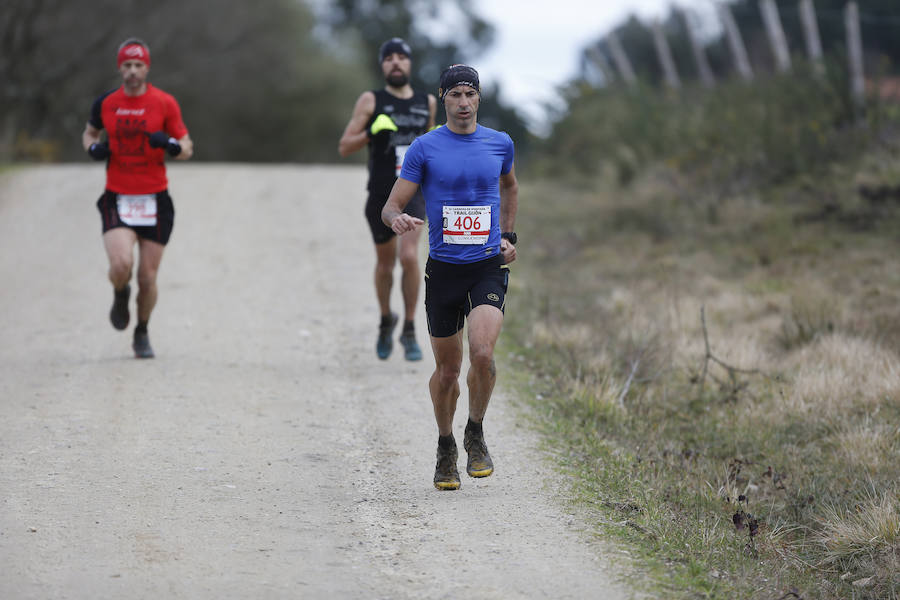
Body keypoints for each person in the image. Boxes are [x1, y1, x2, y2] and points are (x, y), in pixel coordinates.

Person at [381, 64, 519, 491]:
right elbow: (391, 205)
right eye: (455, 95)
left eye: (470, 95)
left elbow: (510, 187)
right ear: (443, 99)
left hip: (485, 267)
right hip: (443, 270)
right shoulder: (425, 147)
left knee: (482, 354)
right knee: (447, 372)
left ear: (479, 99)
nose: (463, 102)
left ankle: (474, 431)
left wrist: (509, 236)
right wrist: (397, 219)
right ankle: (445, 446)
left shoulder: (500, 143)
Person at [82, 38, 193, 358]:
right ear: (120, 68)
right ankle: (120, 291)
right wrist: (93, 148)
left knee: (147, 277)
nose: (132, 71)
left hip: (155, 199)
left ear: (147, 68)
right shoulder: (105, 103)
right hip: (118, 195)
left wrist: (171, 145)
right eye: (127, 65)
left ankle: (142, 331)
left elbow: (187, 147)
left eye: (138, 65)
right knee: (121, 264)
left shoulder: (164, 103)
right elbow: (90, 132)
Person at [339, 38, 437, 361]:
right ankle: (385, 320)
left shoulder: (426, 102)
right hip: (382, 194)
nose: (396, 63)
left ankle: (409, 328)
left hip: (414, 192)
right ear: (382, 65)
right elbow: (344, 146)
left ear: (410, 63)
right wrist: (371, 132)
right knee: (385, 263)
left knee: (409, 257)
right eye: (389, 58)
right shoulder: (371, 100)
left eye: (402, 57)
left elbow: (436, 143)